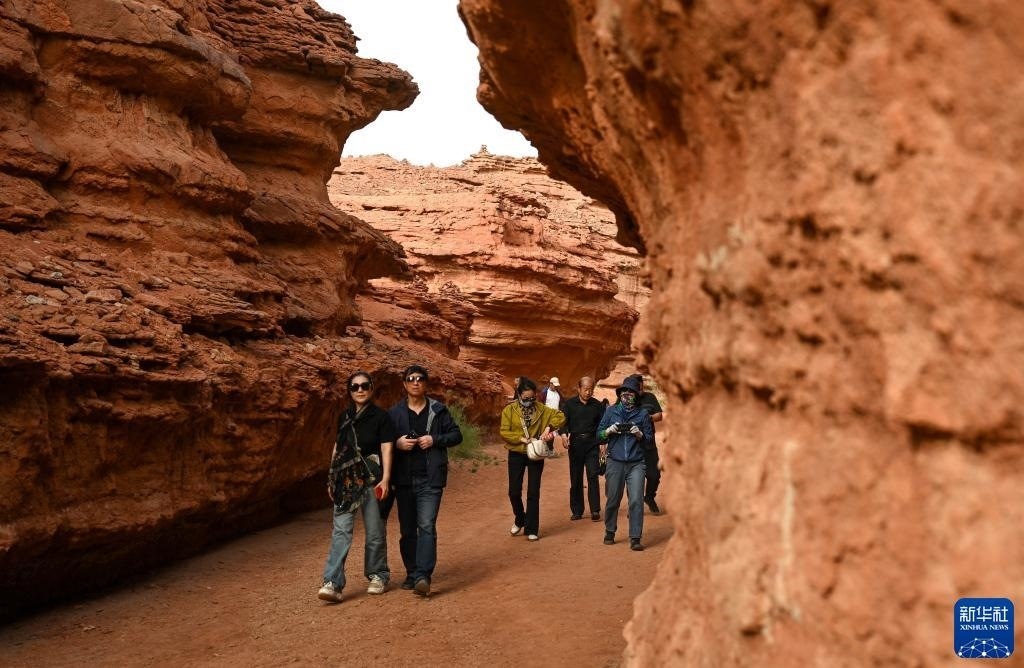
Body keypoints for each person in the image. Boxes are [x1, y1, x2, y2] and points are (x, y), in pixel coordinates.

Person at [318, 371, 395, 603]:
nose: (360, 390)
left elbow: (387, 448)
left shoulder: (381, 417)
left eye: (364, 386)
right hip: (346, 481)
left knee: (374, 530)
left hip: (372, 478)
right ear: (349, 391)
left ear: (371, 388)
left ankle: (378, 575)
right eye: (355, 387)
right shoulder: (344, 416)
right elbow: (338, 447)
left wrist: (386, 478)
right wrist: (332, 477)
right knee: (341, 531)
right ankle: (332, 582)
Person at [388, 365, 463, 597]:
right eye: (410, 379)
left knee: (427, 526)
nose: (415, 382)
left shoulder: (438, 410)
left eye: (420, 379)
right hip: (403, 479)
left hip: (430, 479)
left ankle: (423, 576)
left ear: (426, 384)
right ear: (404, 384)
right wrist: (398, 443)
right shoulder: (394, 413)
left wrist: (435, 439)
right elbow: (383, 442)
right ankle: (412, 573)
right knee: (407, 530)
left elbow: (456, 435)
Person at [499, 377, 566, 541]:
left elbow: (560, 416)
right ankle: (520, 518)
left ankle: (532, 528)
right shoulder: (509, 410)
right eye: (525, 398)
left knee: (533, 491)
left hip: (536, 454)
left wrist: (548, 428)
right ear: (519, 395)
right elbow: (504, 432)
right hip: (516, 452)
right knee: (514, 491)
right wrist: (521, 439)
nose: (529, 401)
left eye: (532, 398)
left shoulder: (541, 409)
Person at [597, 375, 654, 551]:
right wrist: (608, 431)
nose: (627, 394)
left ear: (636, 395)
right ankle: (610, 530)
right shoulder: (611, 411)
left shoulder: (643, 414)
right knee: (613, 498)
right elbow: (598, 435)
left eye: (631, 392)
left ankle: (635, 537)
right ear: (620, 394)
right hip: (615, 462)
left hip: (636, 463)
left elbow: (649, 442)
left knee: (636, 500)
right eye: (624, 391)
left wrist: (640, 434)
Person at [560, 376, 605, 522]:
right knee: (576, 478)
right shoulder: (569, 405)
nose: (588, 392)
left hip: (592, 443)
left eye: (591, 389)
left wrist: (603, 443)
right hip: (575, 444)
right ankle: (577, 511)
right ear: (579, 389)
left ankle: (595, 510)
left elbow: (602, 426)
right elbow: (563, 422)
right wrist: (564, 435)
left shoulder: (597, 405)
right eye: (585, 389)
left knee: (592, 475)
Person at [627, 373, 665, 514]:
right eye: (638, 388)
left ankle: (649, 497)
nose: (641, 391)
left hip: (649, 443)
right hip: (632, 444)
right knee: (632, 476)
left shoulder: (650, 397)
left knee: (654, 475)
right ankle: (632, 506)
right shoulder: (626, 397)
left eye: (642, 388)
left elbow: (659, 415)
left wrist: (647, 417)